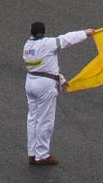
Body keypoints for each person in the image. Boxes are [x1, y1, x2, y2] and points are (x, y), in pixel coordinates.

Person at [23, 23, 93, 165]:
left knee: (33, 119)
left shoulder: (27, 46)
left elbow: (40, 66)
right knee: (45, 120)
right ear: (43, 32)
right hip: (45, 86)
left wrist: (60, 78)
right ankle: (42, 154)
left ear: (31, 31)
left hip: (30, 82)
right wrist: (85, 33)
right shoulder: (48, 43)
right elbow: (67, 39)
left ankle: (32, 153)